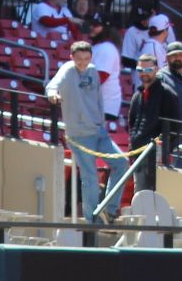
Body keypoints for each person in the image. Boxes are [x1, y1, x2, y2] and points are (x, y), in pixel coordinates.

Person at [47, 40, 129, 225]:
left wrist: (101, 122)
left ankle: (109, 209)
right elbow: (52, 84)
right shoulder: (67, 70)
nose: (82, 62)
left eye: (86, 58)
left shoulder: (93, 71)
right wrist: (53, 94)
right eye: (79, 59)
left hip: (98, 130)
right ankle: (92, 220)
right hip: (79, 134)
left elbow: (98, 98)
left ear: (91, 57)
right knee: (90, 176)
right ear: (71, 57)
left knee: (122, 164)